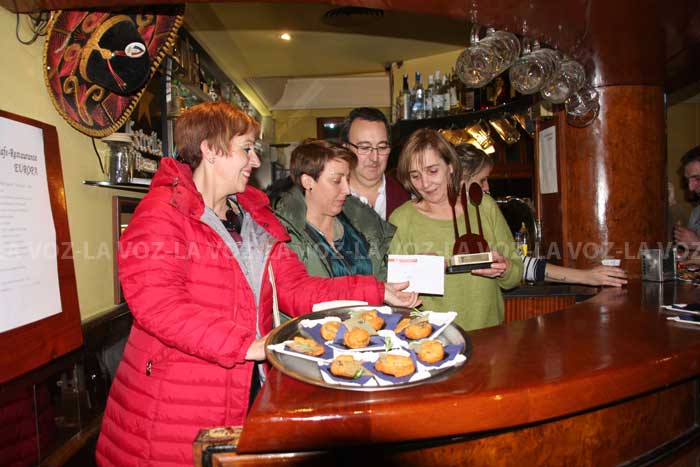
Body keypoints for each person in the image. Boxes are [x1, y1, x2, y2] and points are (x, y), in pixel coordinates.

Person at [95, 102, 419, 467]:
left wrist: (376, 291)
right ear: (210, 149)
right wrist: (248, 345)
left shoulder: (251, 218)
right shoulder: (163, 213)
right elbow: (160, 307)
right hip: (175, 407)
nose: (254, 160)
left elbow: (296, 288)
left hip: (246, 387)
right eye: (246, 149)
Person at [388, 129, 523, 331]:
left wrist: (504, 268)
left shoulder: (483, 206)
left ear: (450, 166)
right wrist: (418, 273)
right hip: (432, 338)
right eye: (415, 176)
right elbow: (394, 295)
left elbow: (515, 275)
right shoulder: (402, 219)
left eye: (433, 171)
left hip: (490, 333)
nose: (425, 184)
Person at [456, 143, 627, 287]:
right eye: (482, 180)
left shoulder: (486, 209)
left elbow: (519, 264)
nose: (487, 187)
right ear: (461, 179)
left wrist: (587, 277)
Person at [272, 139, 395, 280]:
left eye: (347, 179)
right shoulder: (285, 237)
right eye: (336, 181)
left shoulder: (362, 223)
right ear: (308, 182)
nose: (347, 190)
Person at [340, 107, 410, 220]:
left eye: (382, 147)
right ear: (346, 149)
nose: (375, 158)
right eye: (364, 148)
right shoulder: (331, 198)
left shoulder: (406, 194)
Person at [674, 146, 700, 248]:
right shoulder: (696, 213)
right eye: (688, 180)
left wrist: (697, 244)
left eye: (697, 178)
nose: (690, 188)